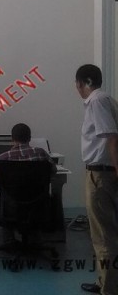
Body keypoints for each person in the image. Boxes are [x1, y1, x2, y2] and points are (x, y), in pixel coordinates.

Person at [75, 64, 118, 295]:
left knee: (102, 235)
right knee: (105, 232)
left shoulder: (97, 101)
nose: (77, 89)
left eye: (78, 84)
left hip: (100, 175)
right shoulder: (107, 100)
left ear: (84, 82)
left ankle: (108, 288)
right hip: (104, 173)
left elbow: (112, 137)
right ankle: (105, 281)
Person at [0, 123, 56, 244]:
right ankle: (35, 240)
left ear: (12, 139)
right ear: (30, 138)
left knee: (5, 200)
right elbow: (53, 171)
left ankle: (9, 241)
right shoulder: (42, 154)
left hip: (12, 206)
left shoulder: (3, 158)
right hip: (38, 205)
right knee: (34, 207)